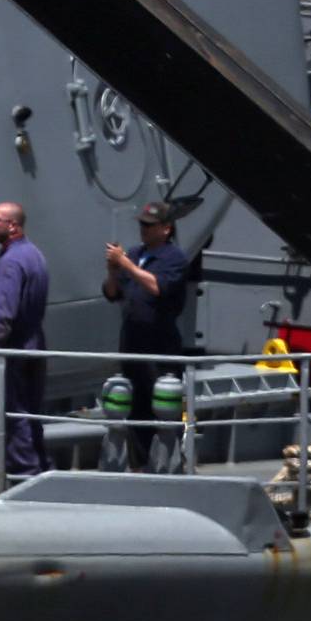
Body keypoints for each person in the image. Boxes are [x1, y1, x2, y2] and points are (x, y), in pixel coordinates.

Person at [102, 198, 190, 468]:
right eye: (142, 224)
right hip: (132, 344)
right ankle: (141, 465)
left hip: (159, 347)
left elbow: (157, 287)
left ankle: (168, 464)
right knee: (136, 406)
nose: (144, 229)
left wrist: (126, 265)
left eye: (150, 225)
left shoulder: (173, 258)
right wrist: (114, 271)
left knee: (163, 406)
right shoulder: (135, 253)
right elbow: (112, 293)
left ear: (166, 229)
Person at [0, 200, 49, 478]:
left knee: (8, 416)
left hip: (13, 352)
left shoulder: (11, 262)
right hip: (34, 347)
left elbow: (3, 310)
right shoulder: (35, 255)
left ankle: (22, 478)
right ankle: (42, 472)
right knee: (30, 415)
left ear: (13, 226)